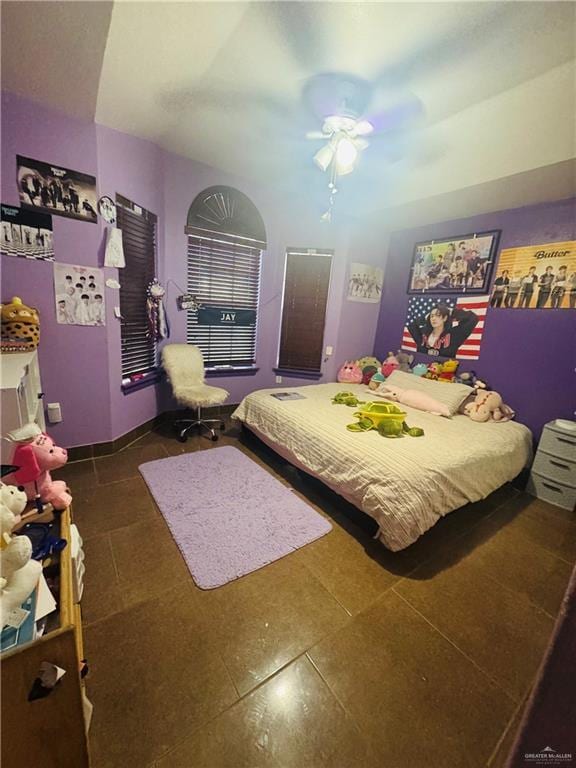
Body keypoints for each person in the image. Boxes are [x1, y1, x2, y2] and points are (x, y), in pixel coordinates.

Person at [407, 302, 479, 358]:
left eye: (438, 315)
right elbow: (411, 326)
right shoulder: (424, 332)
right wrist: (425, 318)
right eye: (432, 316)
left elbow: (473, 318)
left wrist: (452, 312)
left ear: (445, 318)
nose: (434, 318)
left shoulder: (454, 335)